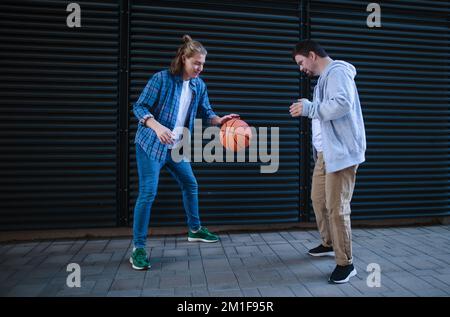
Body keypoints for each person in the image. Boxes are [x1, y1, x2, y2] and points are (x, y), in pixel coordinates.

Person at [130, 35, 239, 270]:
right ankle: (138, 249)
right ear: (183, 58)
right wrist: (157, 126)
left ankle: (195, 229)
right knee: (148, 193)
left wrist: (219, 120)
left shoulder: (199, 86)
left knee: (190, 184)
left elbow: (206, 111)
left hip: (176, 147)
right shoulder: (162, 79)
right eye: (196, 63)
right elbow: (139, 106)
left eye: (203, 64)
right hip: (151, 144)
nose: (200, 68)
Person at [289, 40, 366, 283]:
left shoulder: (338, 72)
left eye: (301, 63)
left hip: (342, 154)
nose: (301, 68)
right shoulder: (323, 79)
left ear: (311, 55)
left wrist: (310, 109)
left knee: (337, 208)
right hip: (326, 154)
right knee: (318, 199)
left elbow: (343, 104)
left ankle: (346, 264)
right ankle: (329, 243)